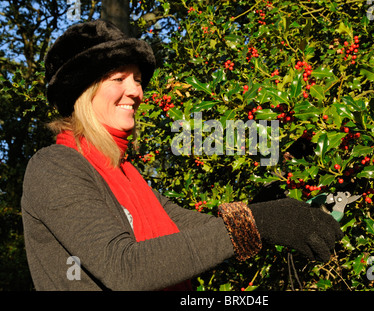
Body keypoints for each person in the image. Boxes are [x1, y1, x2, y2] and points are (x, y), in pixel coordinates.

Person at [21, 20, 343, 291]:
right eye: (119, 79)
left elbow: (194, 232)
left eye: (137, 79)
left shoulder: (129, 176)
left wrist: (270, 215)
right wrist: (258, 222)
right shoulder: (54, 167)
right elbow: (124, 267)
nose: (136, 91)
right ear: (83, 91)